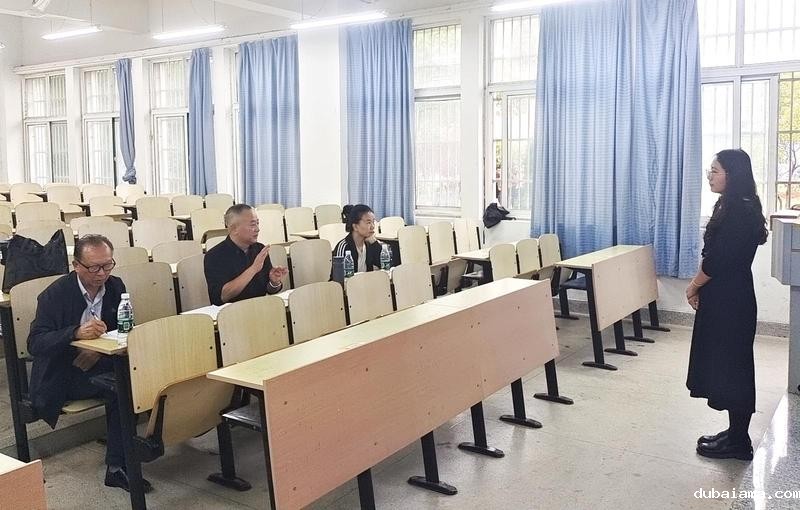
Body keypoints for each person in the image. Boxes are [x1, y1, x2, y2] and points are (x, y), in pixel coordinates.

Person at [28, 234, 152, 493]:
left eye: (107, 265)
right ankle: (118, 466)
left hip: (101, 363)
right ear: (76, 265)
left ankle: (140, 444)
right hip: (63, 373)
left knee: (138, 375)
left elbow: (122, 329)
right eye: (94, 267)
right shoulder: (55, 295)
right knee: (122, 387)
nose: (102, 273)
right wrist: (74, 333)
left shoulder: (115, 286)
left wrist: (98, 352)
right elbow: (35, 343)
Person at [686, 149, 768, 461]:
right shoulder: (737, 204)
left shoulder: (738, 211)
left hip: (730, 299)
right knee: (729, 364)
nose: (709, 175)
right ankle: (735, 433)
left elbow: (717, 259)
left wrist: (694, 285)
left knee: (734, 367)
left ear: (732, 175)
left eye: (715, 170)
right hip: (729, 294)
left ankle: (738, 442)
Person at [204, 204, 289, 305]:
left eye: (257, 223)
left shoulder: (259, 249)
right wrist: (253, 269)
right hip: (232, 311)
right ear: (234, 229)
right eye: (252, 224)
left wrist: (274, 282)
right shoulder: (214, 256)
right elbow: (221, 297)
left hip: (259, 307)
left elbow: (269, 290)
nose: (257, 229)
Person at [333, 204, 382, 273]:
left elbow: (384, 265)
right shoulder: (344, 246)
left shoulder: (370, 244)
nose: (372, 226)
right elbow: (338, 276)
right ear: (355, 227)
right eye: (368, 222)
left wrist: (375, 243)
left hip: (366, 279)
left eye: (373, 222)